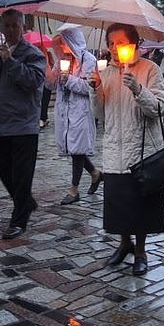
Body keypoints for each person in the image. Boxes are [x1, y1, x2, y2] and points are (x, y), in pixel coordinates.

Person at [88, 23, 164, 276]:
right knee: (119, 204)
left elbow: (158, 109)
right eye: (110, 43)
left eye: (120, 42)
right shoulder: (106, 72)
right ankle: (124, 244)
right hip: (114, 147)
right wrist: (95, 89)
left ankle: (141, 251)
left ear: (133, 44)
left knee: (141, 205)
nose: (114, 48)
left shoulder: (149, 69)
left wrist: (137, 88)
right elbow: (99, 114)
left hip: (141, 149)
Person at [0, 9, 46, 240]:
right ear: (1, 29)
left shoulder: (32, 54)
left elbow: (33, 82)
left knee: (23, 174)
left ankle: (18, 220)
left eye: (15, 25)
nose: (11, 30)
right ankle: (26, 202)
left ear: (23, 27)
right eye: (7, 26)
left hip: (24, 125)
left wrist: (11, 62)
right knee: (3, 170)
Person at [48, 28, 102, 205]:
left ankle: (74, 190)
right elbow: (50, 84)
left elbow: (90, 87)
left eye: (64, 42)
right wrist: (47, 67)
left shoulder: (89, 60)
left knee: (77, 149)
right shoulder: (62, 60)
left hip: (80, 110)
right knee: (73, 149)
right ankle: (95, 173)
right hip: (64, 110)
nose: (62, 47)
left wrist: (69, 80)